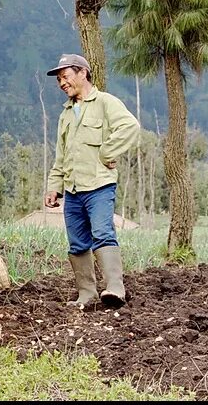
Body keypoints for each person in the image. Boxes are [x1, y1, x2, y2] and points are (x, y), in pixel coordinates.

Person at [44, 54, 140, 308]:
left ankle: (115, 288)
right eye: (58, 80)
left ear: (82, 73)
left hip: (99, 185)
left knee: (102, 233)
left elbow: (130, 127)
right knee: (77, 242)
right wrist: (54, 186)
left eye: (65, 77)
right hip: (73, 189)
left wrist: (108, 153)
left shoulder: (105, 103)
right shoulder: (65, 115)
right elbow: (60, 155)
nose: (61, 83)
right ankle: (86, 293)